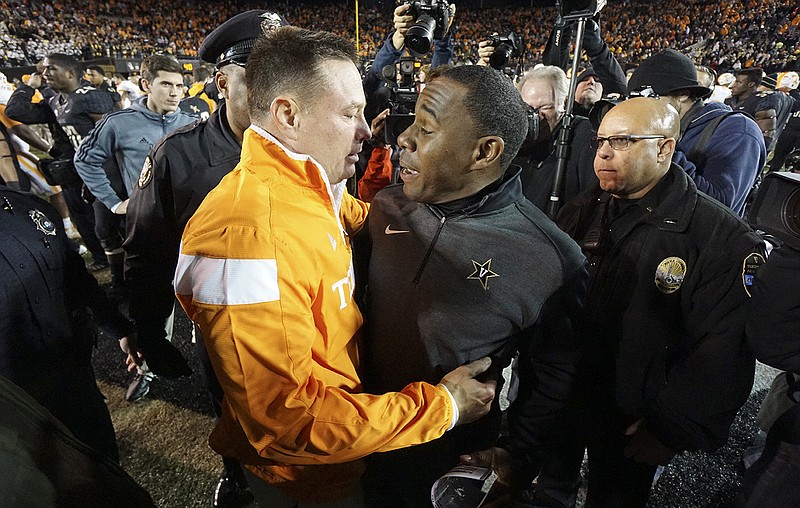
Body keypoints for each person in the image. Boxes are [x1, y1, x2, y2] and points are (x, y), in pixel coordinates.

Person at [174, 27, 496, 507]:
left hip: (343, 448)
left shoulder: (308, 187)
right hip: (307, 477)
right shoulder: (245, 237)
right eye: (350, 113)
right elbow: (286, 423)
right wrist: (443, 408)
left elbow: (362, 223)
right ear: (288, 114)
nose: (366, 130)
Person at [358, 64, 588, 507]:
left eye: (425, 130)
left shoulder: (550, 258)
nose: (403, 140)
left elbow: (555, 373)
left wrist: (517, 454)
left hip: (445, 456)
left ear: (484, 152)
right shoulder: (385, 205)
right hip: (356, 427)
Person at [533, 97, 766, 507]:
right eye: (602, 140)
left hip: (635, 418)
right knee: (550, 488)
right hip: (565, 397)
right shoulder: (583, 208)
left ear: (664, 148)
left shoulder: (720, 238)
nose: (603, 151)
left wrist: (670, 430)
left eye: (622, 141)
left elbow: (721, 348)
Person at [124, 10, 288, 508]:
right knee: (232, 405)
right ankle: (236, 473)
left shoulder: (304, 141)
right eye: (257, 76)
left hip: (305, 310)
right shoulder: (178, 155)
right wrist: (151, 332)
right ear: (222, 81)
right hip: (227, 324)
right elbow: (147, 252)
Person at [73, 53, 194, 402]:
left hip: (193, 228)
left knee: (208, 297)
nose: (175, 92)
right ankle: (147, 367)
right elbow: (85, 159)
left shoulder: (192, 122)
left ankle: (216, 361)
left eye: (180, 85)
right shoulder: (119, 123)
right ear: (146, 85)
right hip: (148, 230)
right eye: (166, 84)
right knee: (153, 306)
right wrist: (114, 202)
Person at [0, 180, 139, 463]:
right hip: (14, 410)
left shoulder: (29, 207)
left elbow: (75, 277)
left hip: (74, 378)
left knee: (105, 467)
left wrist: (120, 328)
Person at [5, 53, 113, 270]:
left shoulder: (91, 96)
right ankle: (101, 258)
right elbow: (15, 111)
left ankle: (119, 261)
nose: (45, 74)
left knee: (108, 218)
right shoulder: (54, 101)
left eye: (50, 69)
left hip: (101, 170)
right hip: (72, 170)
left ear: (70, 73)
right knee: (81, 216)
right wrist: (28, 87)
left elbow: (113, 135)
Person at [628, 49, 766, 216]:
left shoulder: (737, 130)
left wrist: (661, 148)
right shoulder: (670, 124)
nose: (641, 107)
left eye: (649, 97)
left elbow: (720, 207)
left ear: (683, 95)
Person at [515, 65, 597, 211]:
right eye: (528, 109)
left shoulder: (584, 136)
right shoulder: (517, 139)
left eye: (545, 108)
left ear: (564, 104)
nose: (536, 117)